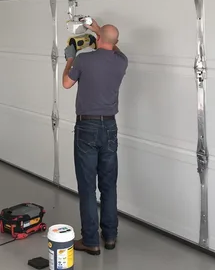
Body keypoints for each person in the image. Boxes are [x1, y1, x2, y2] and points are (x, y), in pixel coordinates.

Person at [62, 19, 128, 256]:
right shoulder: (122, 61)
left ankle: (91, 240)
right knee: (109, 184)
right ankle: (110, 236)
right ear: (115, 41)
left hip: (87, 128)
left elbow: (66, 83)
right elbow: (113, 45)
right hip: (109, 127)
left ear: (98, 39)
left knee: (87, 186)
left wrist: (70, 58)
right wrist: (99, 30)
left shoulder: (83, 59)